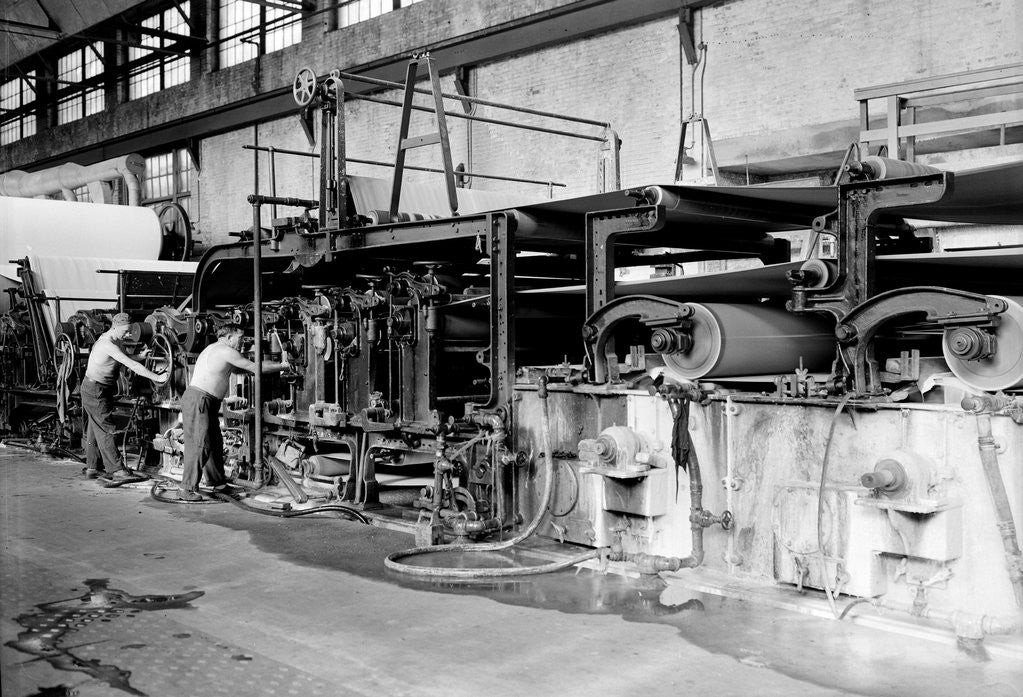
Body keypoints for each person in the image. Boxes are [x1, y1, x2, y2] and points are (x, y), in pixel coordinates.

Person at [178, 324, 290, 501]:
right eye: (240, 338)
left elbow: (243, 368)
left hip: (206, 401)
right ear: (229, 338)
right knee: (200, 444)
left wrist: (268, 364)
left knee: (214, 443)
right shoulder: (225, 351)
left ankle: (218, 485)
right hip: (200, 400)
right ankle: (186, 488)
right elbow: (256, 368)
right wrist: (284, 366)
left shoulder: (215, 349)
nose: (243, 342)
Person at [82, 313, 167, 481]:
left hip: (100, 388)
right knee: (106, 429)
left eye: (129, 330)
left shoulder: (116, 339)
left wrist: (141, 356)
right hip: (95, 389)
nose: (128, 334)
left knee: (95, 428)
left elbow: (123, 358)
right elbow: (131, 365)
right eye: (126, 331)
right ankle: (116, 469)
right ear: (115, 327)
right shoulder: (106, 343)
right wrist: (157, 377)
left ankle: (92, 467)